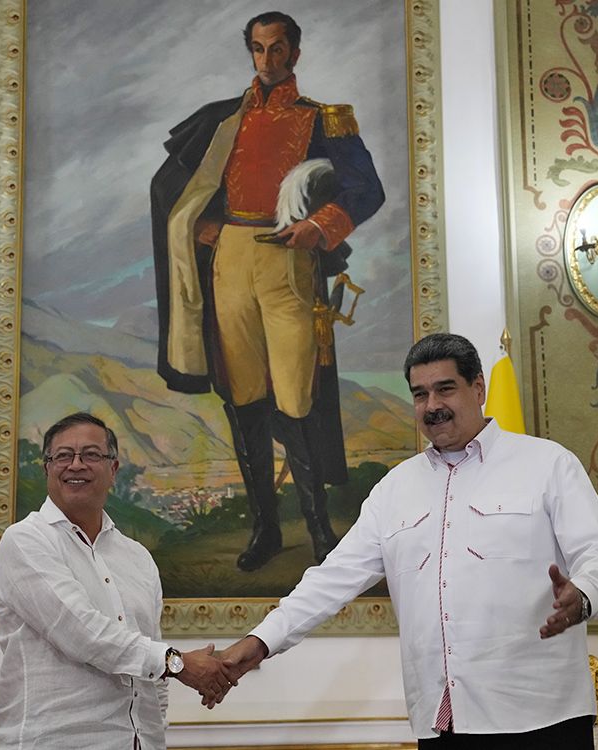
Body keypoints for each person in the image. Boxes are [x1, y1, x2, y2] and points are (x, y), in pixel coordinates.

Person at [220, 334, 598, 748]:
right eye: (420, 394)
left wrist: (583, 595)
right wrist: (261, 642)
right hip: (442, 722)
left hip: (541, 718)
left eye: (445, 388)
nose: (432, 405)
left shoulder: (547, 464)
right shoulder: (393, 489)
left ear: (479, 388)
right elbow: (330, 579)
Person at [150, 11, 386, 571]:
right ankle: (267, 531)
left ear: (295, 53)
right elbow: (172, 186)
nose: (267, 60)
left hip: (290, 264)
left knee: (296, 399)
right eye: (258, 49)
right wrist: (202, 225)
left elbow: (366, 190)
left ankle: (321, 531)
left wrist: (319, 226)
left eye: (277, 49)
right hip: (229, 263)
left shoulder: (325, 119)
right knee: (244, 400)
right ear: (250, 53)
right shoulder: (221, 121)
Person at [0, 412, 235, 749]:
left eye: (91, 455)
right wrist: (177, 664)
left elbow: (154, 675)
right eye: (63, 456)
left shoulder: (137, 557)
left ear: (113, 470)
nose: (76, 465)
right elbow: (82, 633)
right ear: (47, 467)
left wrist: (154, 734)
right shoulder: (25, 541)